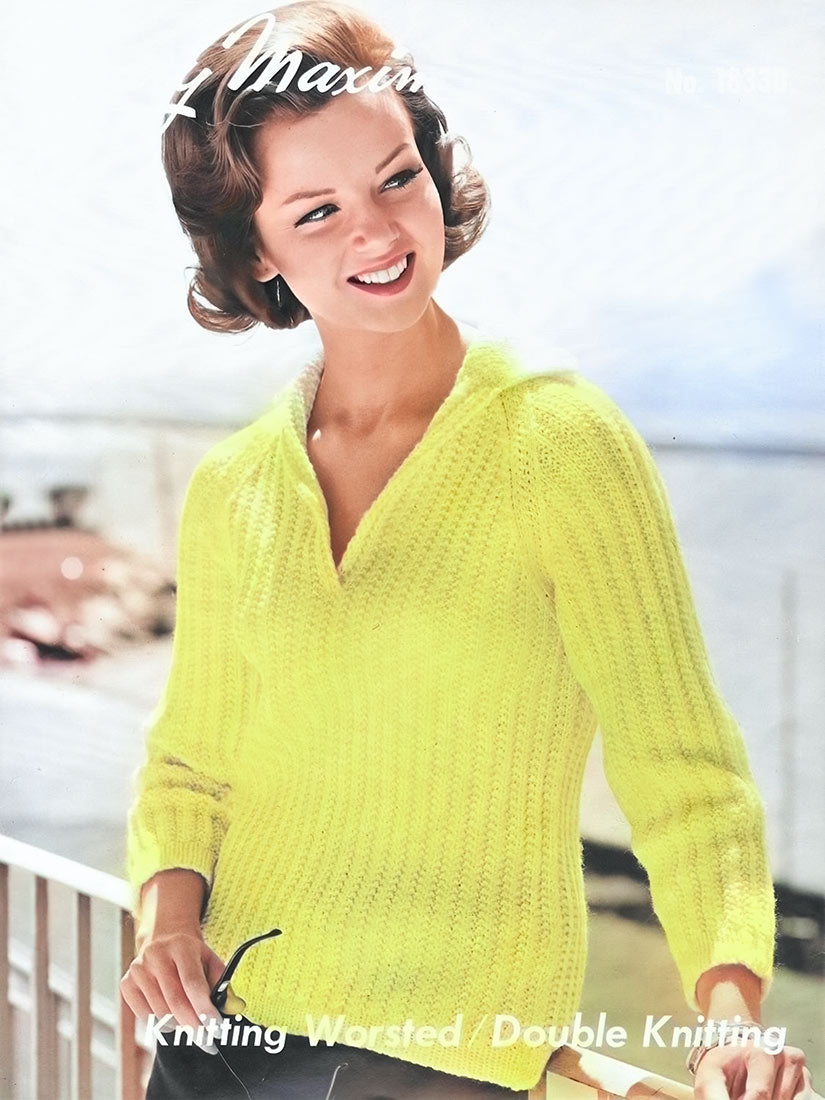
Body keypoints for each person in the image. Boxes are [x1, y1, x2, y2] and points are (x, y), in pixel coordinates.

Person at [120, 3, 816, 1098]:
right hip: (217, 1042)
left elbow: (681, 767)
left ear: (436, 175)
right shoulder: (235, 484)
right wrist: (167, 923)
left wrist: (730, 1016)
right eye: (317, 211)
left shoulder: (559, 440)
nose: (377, 233)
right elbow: (190, 764)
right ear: (256, 249)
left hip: (439, 1054)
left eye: (396, 179)